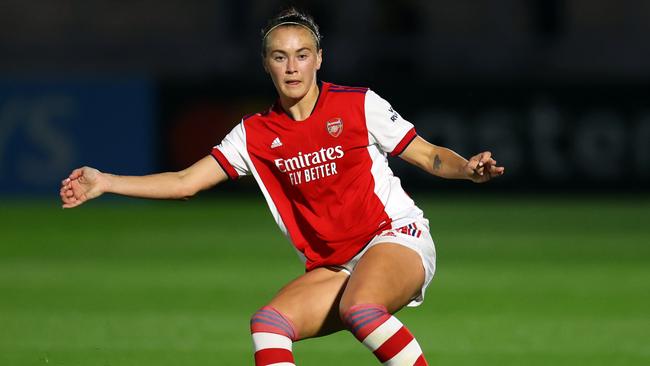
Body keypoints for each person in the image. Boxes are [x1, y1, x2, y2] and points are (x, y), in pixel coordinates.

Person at [60, 8, 504, 366]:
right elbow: (183, 183)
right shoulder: (253, 135)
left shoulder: (357, 104)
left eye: (303, 54)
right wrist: (106, 182)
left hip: (394, 239)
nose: (293, 67)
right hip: (337, 267)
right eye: (280, 56)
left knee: (362, 309)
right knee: (268, 324)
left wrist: (468, 169)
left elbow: (428, 155)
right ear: (266, 64)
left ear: (319, 59)